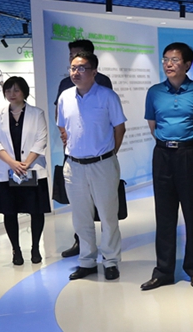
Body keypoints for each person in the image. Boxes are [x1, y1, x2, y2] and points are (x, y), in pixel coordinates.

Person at [140, 43, 193, 291]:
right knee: (164, 214)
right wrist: (168, 143)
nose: (168, 64)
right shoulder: (154, 92)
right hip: (162, 155)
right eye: (165, 59)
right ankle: (163, 271)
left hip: (190, 154)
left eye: (174, 59)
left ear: (188, 64)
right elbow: (153, 125)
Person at [57, 52, 127, 281]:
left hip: (102, 164)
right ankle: (86, 261)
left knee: (108, 216)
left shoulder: (107, 96)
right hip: (74, 166)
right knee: (81, 217)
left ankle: (111, 260)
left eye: (81, 68)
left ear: (94, 72)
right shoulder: (65, 97)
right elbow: (62, 126)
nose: (75, 72)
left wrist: (109, 154)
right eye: (72, 68)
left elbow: (119, 129)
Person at [55, 39, 113, 259]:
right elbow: (59, 115)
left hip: (100, 156)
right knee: (79, 208)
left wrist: (110, 152)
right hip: (74, 155)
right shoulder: (64, 85)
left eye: (78, 55)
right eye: (71, 56)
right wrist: (64, 134)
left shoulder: (103, 83)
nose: (74, 61)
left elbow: (115, 123)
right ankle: (84, 249)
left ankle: (109, 256)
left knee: (106, 210)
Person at [0, 76, 50, 265]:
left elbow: (41, 140)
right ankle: (16, 249)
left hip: (32, 169)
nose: (12, 94)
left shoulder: (36, 113)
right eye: (8, 90)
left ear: (24, 91)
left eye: (16, 90)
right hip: (7, 171)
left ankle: (35, 248)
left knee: (36, 211)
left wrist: (25, 163)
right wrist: (12, 164)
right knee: (9, 212)